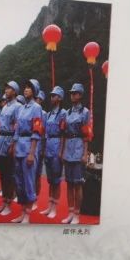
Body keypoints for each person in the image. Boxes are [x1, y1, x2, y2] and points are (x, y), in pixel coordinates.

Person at [13, 79, 44, 223]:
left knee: (28, 181)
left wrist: (32, 153)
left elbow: (36, 131)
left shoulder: (36, 108)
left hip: (29, 147)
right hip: (19, 146)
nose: (26, 89)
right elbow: (17, 129)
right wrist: (14, 146)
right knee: (19, 182)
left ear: (34, 91)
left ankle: (27, 215)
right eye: (25, 87)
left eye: (29, 88)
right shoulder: (21, 108)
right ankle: (22, 212)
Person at [63, 83, 92, 224]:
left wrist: (85, 153)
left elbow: (87, 134)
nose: (72, 95)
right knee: (69, 183)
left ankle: (77, 214)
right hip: (68, 147)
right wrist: (62, 151)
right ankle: (70, 213)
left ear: (80, 95)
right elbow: (64, 132)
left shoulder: (85, 112)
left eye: (75, 93)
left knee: (78, 183)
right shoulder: (67, 112)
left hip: (79, 146)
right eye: (71, 93)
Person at [0, 81, 21, 217]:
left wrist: (13, 144)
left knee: (10, 174)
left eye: (9, 88)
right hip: (1, 140)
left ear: (15, 91)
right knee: (2, 173)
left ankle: (9, 203)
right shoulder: (5, 107)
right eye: (6, 88)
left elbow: (17, 126)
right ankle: (4, 201)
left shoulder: (18, 107)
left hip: (10, 140)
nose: (6, 90)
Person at [43, 86, 68, 219]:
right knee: (50, 179)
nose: (52, 97)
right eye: (51, 95)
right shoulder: (48, 114)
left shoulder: (63, 113)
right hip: (48, 144)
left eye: (54, 95)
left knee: (56, 179)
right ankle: (49, 204)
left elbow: (63, 133)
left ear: (60, 98)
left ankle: (54, 207)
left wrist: (61, 151)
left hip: (57, 143)